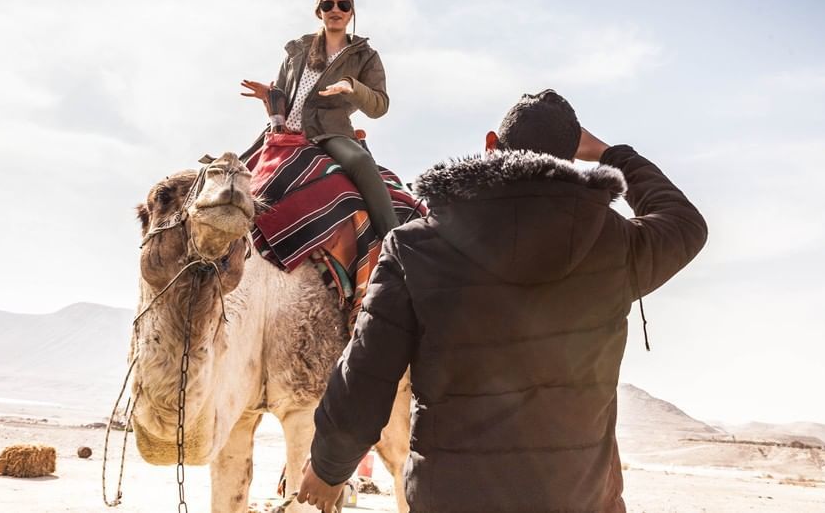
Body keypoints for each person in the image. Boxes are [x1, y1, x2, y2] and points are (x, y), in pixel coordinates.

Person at [296, 89, 708, 513]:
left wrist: (329, 468)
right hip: (577, 498)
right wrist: (611, 153)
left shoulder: (415, 246)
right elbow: (685, 222)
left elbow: (368, 373)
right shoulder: (615, 243)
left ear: (491, 144)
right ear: (569, 159)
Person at [241, 0, 399, 238]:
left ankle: (394, 240)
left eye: (343, 5)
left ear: (351, 12)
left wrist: (351, 86)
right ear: (319, 11)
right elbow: (281, 94)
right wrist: (269, 96)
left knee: (360, 160)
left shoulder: (365, 56)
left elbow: (380, 106)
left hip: (330, 131)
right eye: (328, 4)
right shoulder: (297, 50)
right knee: (230, 173)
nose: (335, 9)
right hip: (285, 131)